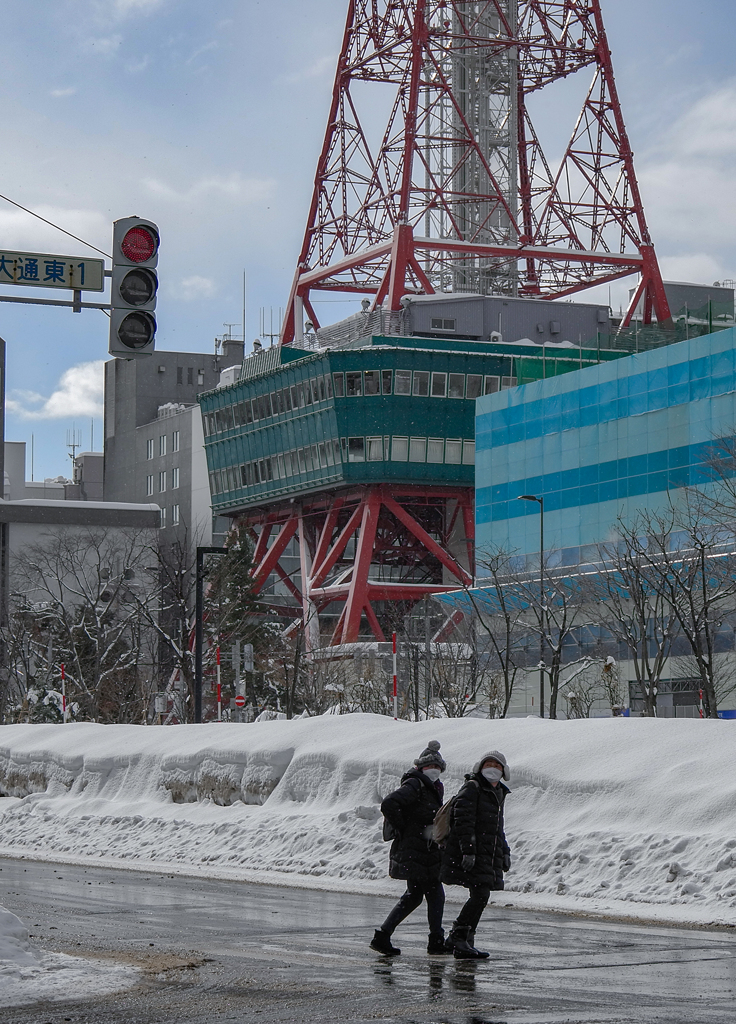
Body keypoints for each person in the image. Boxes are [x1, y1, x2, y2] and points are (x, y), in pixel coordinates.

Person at [370, 740, 450, 956]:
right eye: (430, 766)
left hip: (423, 850)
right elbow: (389, 804)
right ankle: (434, 940)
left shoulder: (432, 787)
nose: (434, 769)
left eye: (437, 766)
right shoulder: (415, 784)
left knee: (417, 895)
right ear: (421, 767)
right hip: (416, 850)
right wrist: (406, 828)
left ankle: (384, 936)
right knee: (432, 894)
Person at [440, 749, 511, 960]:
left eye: (497, 766)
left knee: (481, 894)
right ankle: (459, 936)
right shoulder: (473, 787)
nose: (492, 769)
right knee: (480, 894)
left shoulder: (497, 793)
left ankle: (465, 938)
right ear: (480, 768)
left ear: (504, 771)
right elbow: (463, 820)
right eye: (488, 764)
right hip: (474, 852)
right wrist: (468, 850)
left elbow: (497, 828)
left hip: (487, 853)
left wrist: (505, 851)